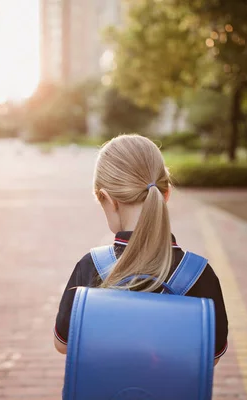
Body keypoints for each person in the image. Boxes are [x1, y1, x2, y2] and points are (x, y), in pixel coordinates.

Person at [53, 134, 228, 364]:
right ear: (165, 194)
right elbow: (212, 357)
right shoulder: (199, 273)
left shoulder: (91, 266)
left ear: (108, 199)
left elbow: (62, 343)